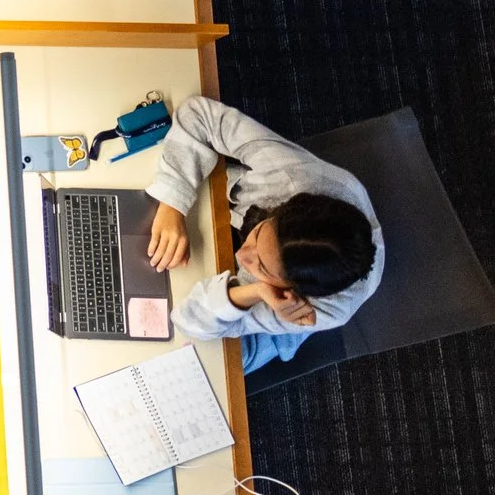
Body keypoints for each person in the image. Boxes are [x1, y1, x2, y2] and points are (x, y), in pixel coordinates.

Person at [139, 97, 384, 376]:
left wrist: (254, 291)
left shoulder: (318, 308)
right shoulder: (290, 175)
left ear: (292, 290)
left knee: (196, 361)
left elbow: (189, 322)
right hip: (239, 214)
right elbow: (198, 114)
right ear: (281, 210)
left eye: (262, 267)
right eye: (259, 234)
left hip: (274, 320)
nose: (241, 255)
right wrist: (173, 203)